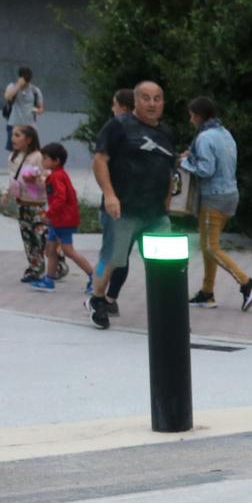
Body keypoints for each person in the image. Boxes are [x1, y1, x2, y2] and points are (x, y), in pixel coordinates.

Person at [89, 80, 177, 331]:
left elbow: (170, 172)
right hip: (123, 209)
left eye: (157, 98)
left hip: (155, 213)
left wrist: (167, 204)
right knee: (113, 259)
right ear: (136, 101)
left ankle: (168, 313)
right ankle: (97, 299)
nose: (152, 104)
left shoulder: (167, 133)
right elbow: (100, 159)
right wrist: (109, 195)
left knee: (166, 263)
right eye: (146, 98)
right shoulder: (118, 126)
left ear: (163, 103)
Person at [180, 95, 252, 312]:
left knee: (209, 246)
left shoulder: (204, 138)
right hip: (230, 195)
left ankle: (247, 283)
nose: (190, 120)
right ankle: (207, 294)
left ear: (198, 116)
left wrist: (185, 162)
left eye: (191, 116)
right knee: (210, 245)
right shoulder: (225, 134)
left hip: (212, 198)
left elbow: (205, 170)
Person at [89, 88, 136, 310]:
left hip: (116, 204)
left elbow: (100, 160)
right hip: (135, 205)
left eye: (114, 104)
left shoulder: (115, 129)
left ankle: (95, 290)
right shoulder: (138, 132)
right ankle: (110, 297)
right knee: (121, 257)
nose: (112, 108)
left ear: (123, 107)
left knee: (107, 255)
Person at [33, 142, 95, 290]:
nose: (42, 161)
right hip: (58, 220)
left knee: (68, 250)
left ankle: (94, 277)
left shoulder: (57, 177)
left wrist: (49, 214)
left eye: (45, 159)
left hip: (63, 220)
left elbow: (61, 198)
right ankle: (49, 280)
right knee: (51, 249)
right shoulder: (57, 175)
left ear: (56, 161)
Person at [6, 124, 47, 283]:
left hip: (38, 204)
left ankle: (46, 265)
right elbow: (12, 178)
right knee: (27, 238)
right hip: (22, 203)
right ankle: (34, 267)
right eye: (13, 135)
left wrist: (36, 180)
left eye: (18, 135)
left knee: (39, 237)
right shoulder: (12, 157)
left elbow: (46, 179)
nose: (13, 138)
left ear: (29, 139)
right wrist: (7, 192)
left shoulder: (38, 157)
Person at [2, 66, 43, 156]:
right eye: (24, 79)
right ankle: (16, 169)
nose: (26, 83)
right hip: (14, 124)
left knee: (32, 152)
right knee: (14, 151)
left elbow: (41, 109)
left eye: (28, 80)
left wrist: (35, 110)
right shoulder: (12, 86)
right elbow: (7, 97)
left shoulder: (35, 90)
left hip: (30, 126)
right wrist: (19, 85)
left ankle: (27, 169)